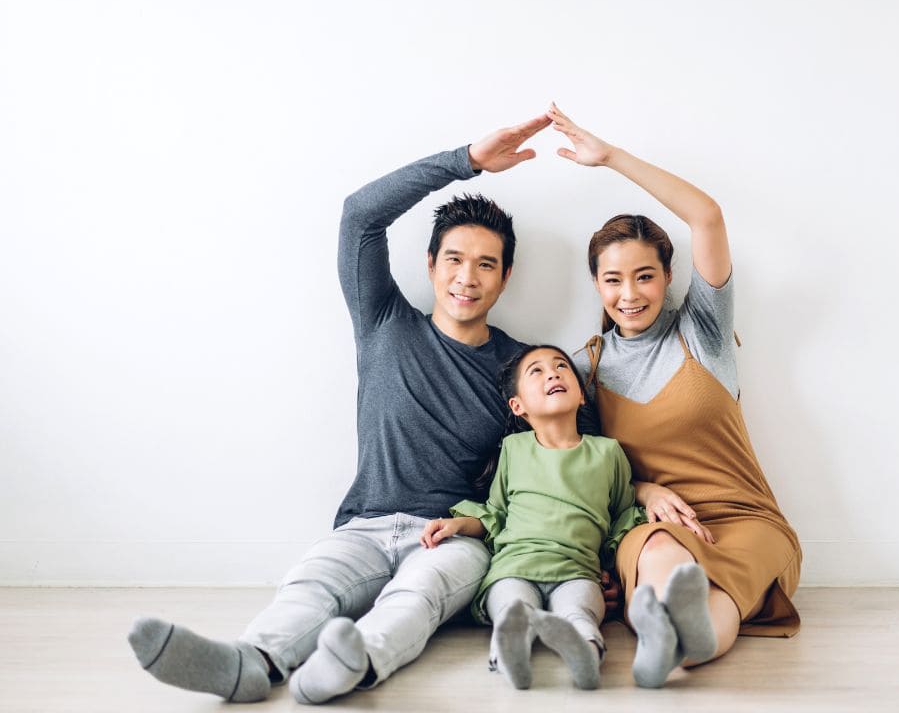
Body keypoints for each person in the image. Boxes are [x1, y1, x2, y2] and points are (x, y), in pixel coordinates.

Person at [126, 114, 552, 704]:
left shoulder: (524, 368)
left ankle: (358, 662)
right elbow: (360, 215)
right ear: (430, 264)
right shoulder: (384, 322)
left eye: (486, 264)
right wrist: (467, 160)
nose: (467, 277)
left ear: (505, 278)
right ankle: (249, 663)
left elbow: (566, 456)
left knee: (418, 596)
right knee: (311, 583)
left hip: (456, 535)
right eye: (454, 259)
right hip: (365, 524)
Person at [550, 103, 803, 688]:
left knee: (716, 592)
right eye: (613, 279)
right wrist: (643, 490)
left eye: (644, 275)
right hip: (654, 523)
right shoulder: (584, 368)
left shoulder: (702, 331)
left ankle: (676, 644)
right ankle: (671, 641)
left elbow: (707, 217)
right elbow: (581, 470)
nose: (630, 293)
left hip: (745, 519)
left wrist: (611, 157)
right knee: (662, 555)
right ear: (596, 284)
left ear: (668, 277)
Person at [420, 345, 644, 691]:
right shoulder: (514, 449)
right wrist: (458, 524)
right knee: (513, 609)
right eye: (536, 371)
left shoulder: (608, 452)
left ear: (582, 396)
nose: (553, 373)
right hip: (514, 567)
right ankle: (510, 652)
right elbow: (495, 513)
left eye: (561, 366)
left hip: (577, 570)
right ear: (517, 406)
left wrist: (614, 572)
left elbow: (623, 518)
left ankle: (585, 651)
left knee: (580, 611)